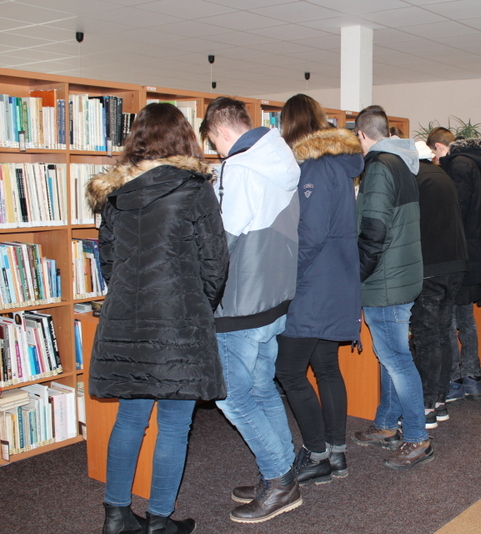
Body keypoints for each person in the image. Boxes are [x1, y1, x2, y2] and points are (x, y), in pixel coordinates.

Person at [88, 102, 229, 534]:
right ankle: (159, 521)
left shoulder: (115, 195)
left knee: (130, 420)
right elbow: (215, 262)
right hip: (179, 322)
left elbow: (109, 262)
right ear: (184, 138)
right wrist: (197, 304)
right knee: (173, 424)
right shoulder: (194, 189)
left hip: (125, 320)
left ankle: (116, 515)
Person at [199, 97, 303, 523]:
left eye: (214, 143)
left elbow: (223, 240)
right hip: (274, 297)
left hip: (240, 302)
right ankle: (280, 469)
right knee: (261, 387)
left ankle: (280, 480)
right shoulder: (281, 156)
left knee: (232, 397)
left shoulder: (238, 168)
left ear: (221, 131)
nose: (216, 151)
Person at [273, 94, 363, 485]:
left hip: (313, 284)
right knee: (326, 367)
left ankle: (317, 453)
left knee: (289, 371)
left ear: (292, 126)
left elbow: (310, 233)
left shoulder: (315, 167)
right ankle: (336, 454)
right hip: (334, 279)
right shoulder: (338, 163)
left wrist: (283, 276)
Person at [351, 105, 432, 470]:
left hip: (384, 279)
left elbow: (374, 230)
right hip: (400, 275)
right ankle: (386, 423)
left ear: (361, 135)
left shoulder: (379, 167)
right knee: (390, 355)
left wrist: (356, 275)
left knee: (397, 359)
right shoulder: (402, 163)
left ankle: (417, 437)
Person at [428, 127, 481, 402]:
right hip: (475, 253)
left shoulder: (458, 166)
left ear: (439, 147)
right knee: (466, 320)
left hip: (457, 253)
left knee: (449, 321)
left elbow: (454, 211)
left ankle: (454, 378)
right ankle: (472, 377)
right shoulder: (477, 164)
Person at [410, 140, 467, 429]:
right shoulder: (441, 174)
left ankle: (426, 405)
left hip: (430, 267)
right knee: (443, 334)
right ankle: (440, 401)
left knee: (426, 338)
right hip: (454, 264)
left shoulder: (415, 179)